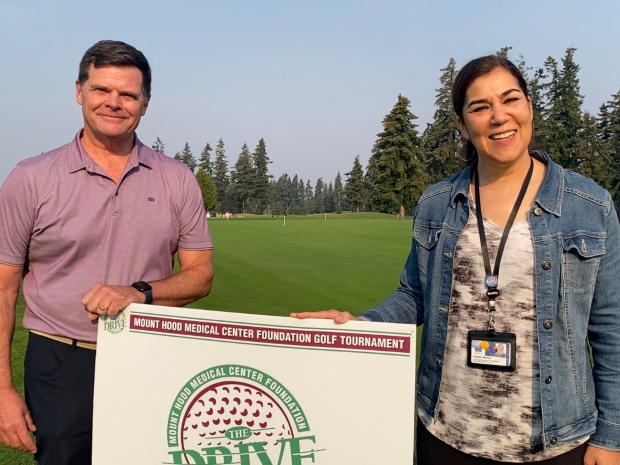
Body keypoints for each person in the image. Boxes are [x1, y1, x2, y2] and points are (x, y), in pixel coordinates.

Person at [293, 55, 620, 465]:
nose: (498, 117)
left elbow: (611, 327)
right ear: (463, 126)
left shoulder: (589, 206)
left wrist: (611, 437)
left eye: (510, 100)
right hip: (447, 435)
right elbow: (415, 295)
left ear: (529, 107)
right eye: (480, 107)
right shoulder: (437, 203)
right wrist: (362, 326)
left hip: (557, 443)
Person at [0, 40, 214, 464]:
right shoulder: (31, 178)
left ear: (145, 104)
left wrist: (139, 292)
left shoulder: (177, 178)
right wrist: (3, 390)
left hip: (149, 352)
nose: (114, 103)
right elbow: (4, 289)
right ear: (79, 91)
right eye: (101, 89)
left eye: (128, 94)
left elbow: (201, 275)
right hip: (61, 359)